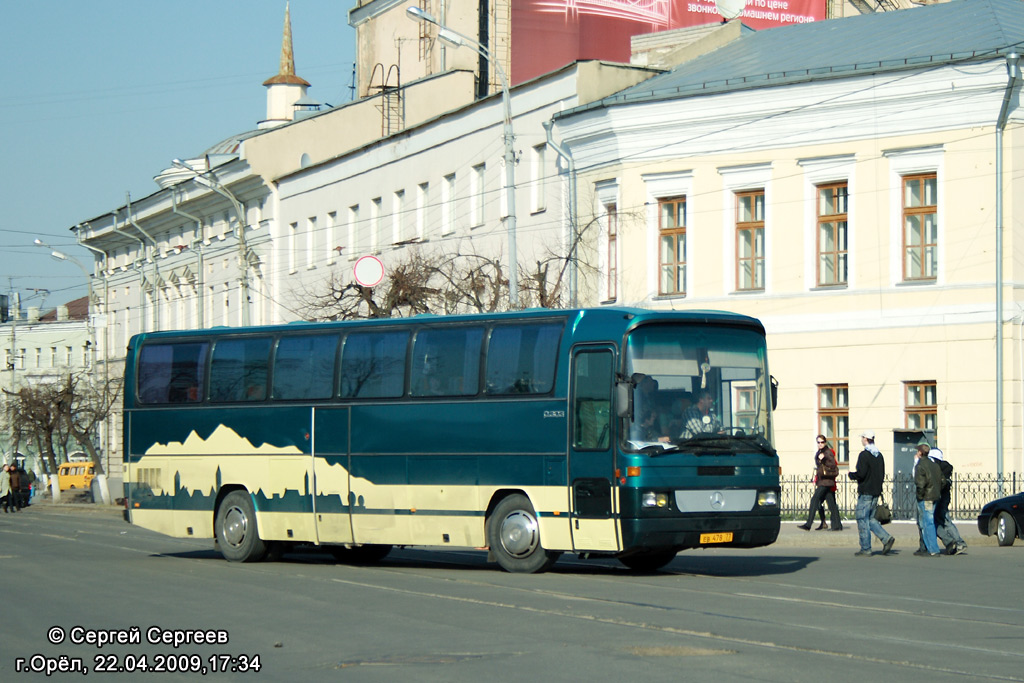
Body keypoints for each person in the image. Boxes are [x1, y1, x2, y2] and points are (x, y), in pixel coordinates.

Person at [848, 430, 895, 556]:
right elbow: (881, 474)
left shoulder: (864, 455)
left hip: (866, 491)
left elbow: (861, 473)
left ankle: (866, 548)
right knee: (871, 519)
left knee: (862, 519)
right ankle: (886, 538)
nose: (861, 440)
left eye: (862, 438)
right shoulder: (879, 455)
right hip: (876, 491)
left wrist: (852, 475)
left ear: (865, 439)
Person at [928, 448, 967, 555]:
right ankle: (956, 542)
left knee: (940, 521)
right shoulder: (946, 468)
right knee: (944, 520)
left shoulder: (935, 467)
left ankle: (957, 542)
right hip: (945, 498)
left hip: (937, 497)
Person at [799, 436, 842, 531]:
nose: (820, 444)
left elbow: (833, 465)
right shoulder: (820, 452)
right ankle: (837, 525)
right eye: (818, 442)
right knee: (831, 504)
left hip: (826, 482)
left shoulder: (827, 452)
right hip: (823, 481)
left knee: (815, 500)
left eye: (822, 442)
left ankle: (808, 524)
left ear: (825, 442)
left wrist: (823, 459)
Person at [913, 444, 943, 556]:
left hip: (926, 498)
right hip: (934, 496)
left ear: (920, 452)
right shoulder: (934, 465)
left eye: (917, 451)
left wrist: (920, 496)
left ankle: (933, 549)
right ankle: (930, 548)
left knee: (927, 523)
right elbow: (942, 481)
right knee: (926, 522)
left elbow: (920, 484)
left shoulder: (920, 466)